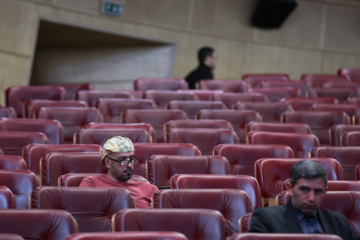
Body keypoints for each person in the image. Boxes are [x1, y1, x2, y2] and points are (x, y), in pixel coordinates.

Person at [249, 160, 360, 240]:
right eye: (304, 190)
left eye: (318, 191)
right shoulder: (265, 218)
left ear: (325, 191)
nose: (311, 198)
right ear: (290, 188)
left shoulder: (339, 222)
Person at [79, 136, 158, 208]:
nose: (129, 165)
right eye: (122, 160)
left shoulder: (150, 189)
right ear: (108, 163)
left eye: (131, 159)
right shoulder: (91, 184)